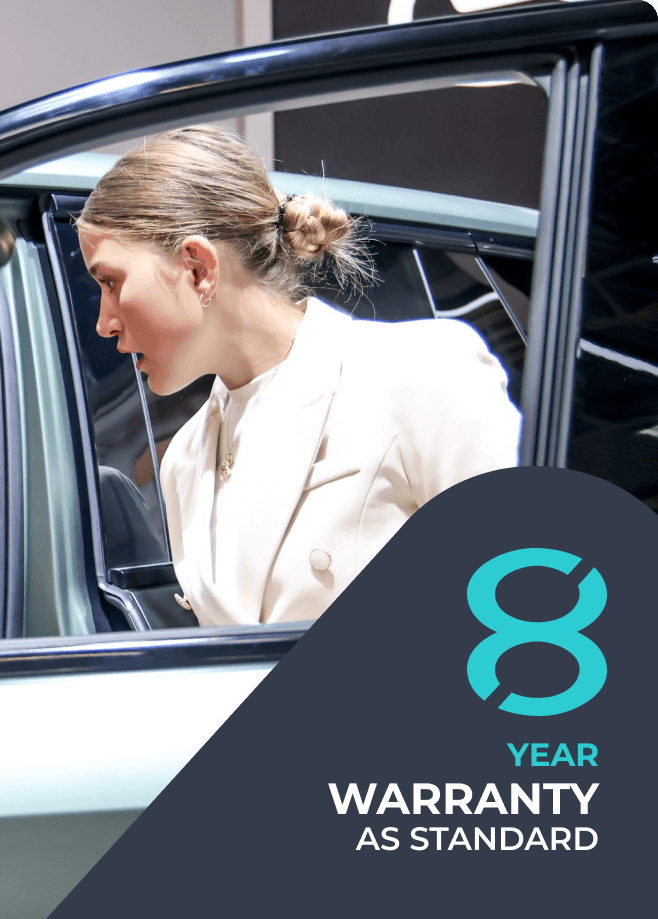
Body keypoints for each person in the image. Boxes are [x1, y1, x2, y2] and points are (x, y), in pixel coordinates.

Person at [76, 126, 520, 626]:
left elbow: (529, 611)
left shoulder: (421, 373)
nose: (104, 323)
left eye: (111, 282)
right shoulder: (182, 461)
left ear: (198, 268)